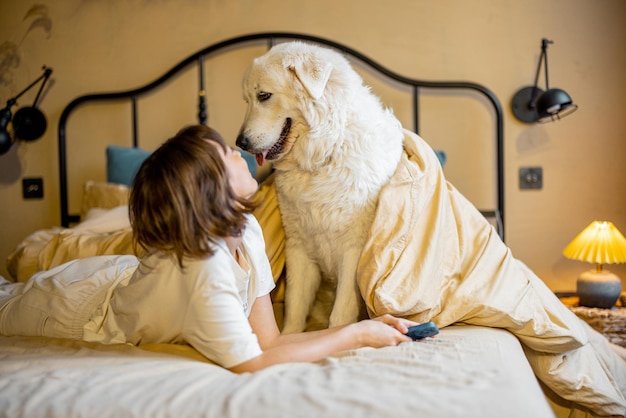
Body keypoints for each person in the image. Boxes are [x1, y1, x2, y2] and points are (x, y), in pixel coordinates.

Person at [0, 124, 416, 373]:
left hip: (119, 276)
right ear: (208, 191)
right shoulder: (204, 268)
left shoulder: (247, 230)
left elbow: (266, 341)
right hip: (77, 307)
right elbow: (250, 364)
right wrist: (359, 334)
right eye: (226, 155)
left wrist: (361, 329)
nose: (238, 152)